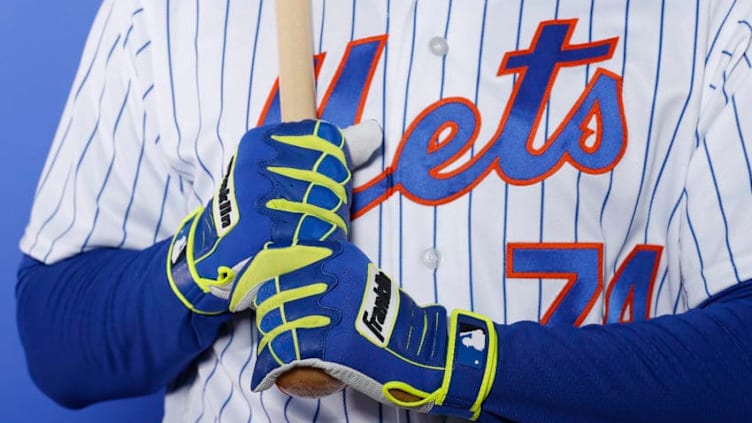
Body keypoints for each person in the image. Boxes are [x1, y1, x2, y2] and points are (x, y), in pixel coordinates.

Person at [16, 0, 752, 421]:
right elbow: (56, 338)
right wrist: (199, 258)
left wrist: (446, 355)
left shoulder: (706, 12)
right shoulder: (169, 11)